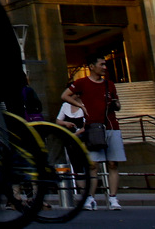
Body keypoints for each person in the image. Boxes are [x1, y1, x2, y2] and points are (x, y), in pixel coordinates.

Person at [62, 52, 123, 211]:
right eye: (101, 64)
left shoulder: (109, 84)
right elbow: (65, 95)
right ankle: (90, 198)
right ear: (91, 67)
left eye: (105, 64)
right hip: (93, 127)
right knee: (93, 164)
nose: (104, 67)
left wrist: (115, 104)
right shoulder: (82, 83)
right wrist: (82, 106)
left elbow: (118, 104)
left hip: (111, 126)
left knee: (113, 163)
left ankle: (113, 198)